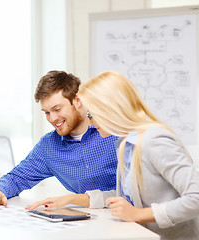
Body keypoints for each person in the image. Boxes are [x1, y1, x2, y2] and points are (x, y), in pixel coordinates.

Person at [78, 70, 199, 240]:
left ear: (110, 109)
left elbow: (196, 198)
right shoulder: (126, 144)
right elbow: (130, 200)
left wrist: (138, 215)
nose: (90, 122)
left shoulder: (153, 140)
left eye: (91, 115)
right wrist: (74, 199)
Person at [0, 70, 118, 210]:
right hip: (89, 221)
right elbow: (18, 177)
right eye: (47, 112)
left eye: (57, 109)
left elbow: (135, 191)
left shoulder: (113, 131)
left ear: (77, 101)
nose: (52, 118)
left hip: (127, 219)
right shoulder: (49, 146)